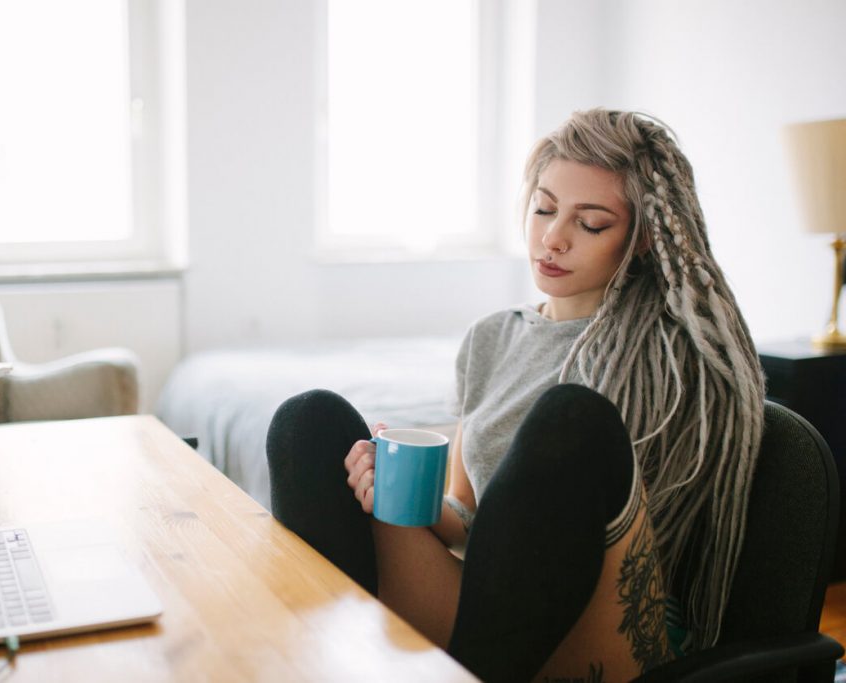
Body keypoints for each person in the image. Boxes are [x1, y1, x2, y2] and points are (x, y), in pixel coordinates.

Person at [266, 109, 764, 682]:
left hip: (595, 623)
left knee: (570, 420)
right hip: (488, 618)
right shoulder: (491, 337)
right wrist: (396, 489)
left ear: (644, 238)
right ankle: (330, 664)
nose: (552, 238)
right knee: (309, 422)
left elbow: (631, 541)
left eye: (592, 223)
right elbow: (464, 517)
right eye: (544, 209)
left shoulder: (669, 359)